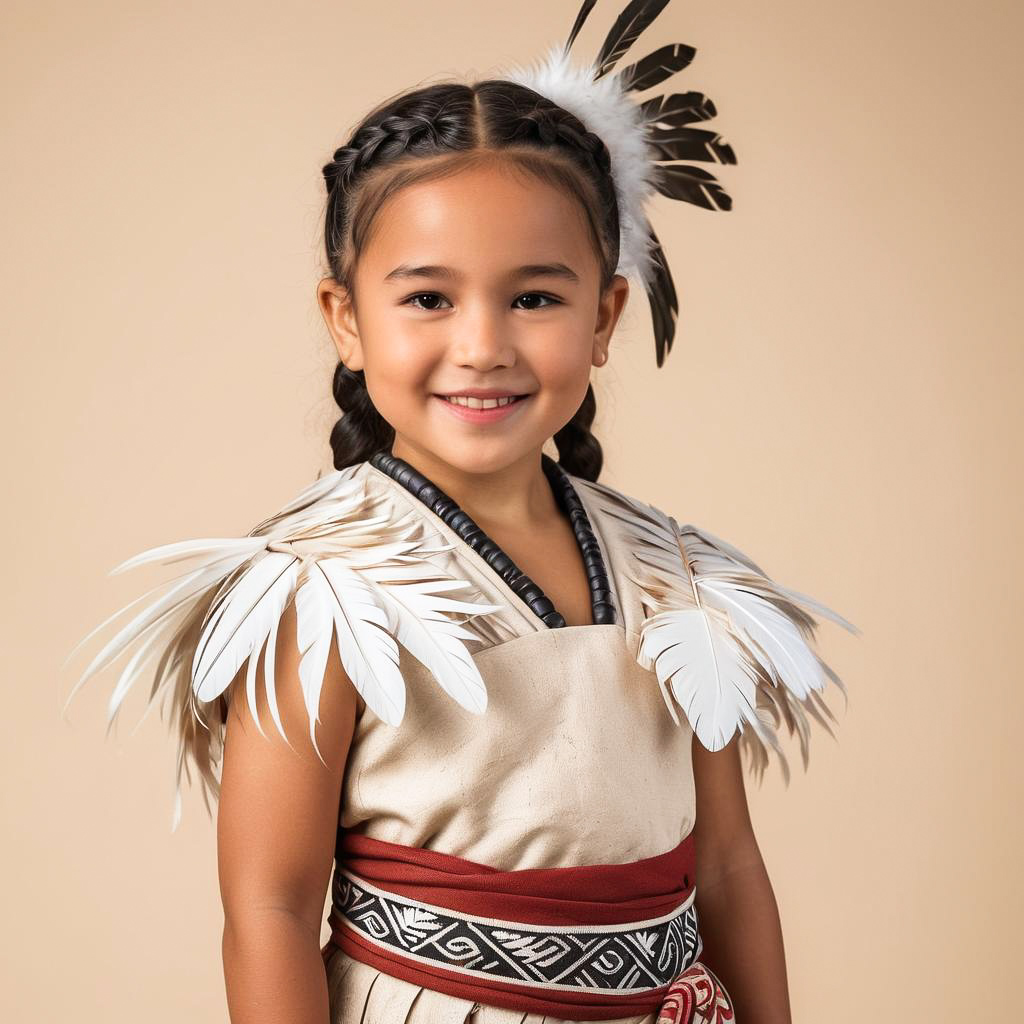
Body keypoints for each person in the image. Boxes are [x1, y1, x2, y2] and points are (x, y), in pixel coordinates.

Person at [65, 2, 857, 1022]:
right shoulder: (317, 592)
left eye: (534, 297)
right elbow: (268, 907)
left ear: (606, 313)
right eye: (428, 299)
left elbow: (731, 868)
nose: (482, 344)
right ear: (345, 318)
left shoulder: (677, 574)